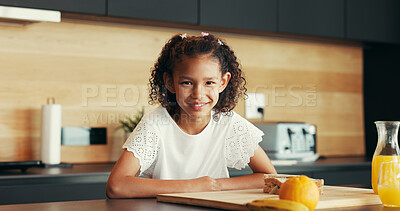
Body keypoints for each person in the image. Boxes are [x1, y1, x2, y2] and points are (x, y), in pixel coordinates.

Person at [106, 32, 277, 198]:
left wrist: (215, 185)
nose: (198, 94)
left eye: (209, 82)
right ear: (170, 82)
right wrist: (194, 185)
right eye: (187, 83)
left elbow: (271, 178)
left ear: (223, 82)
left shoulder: (229, 123)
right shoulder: (156, 123)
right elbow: (116, 186)